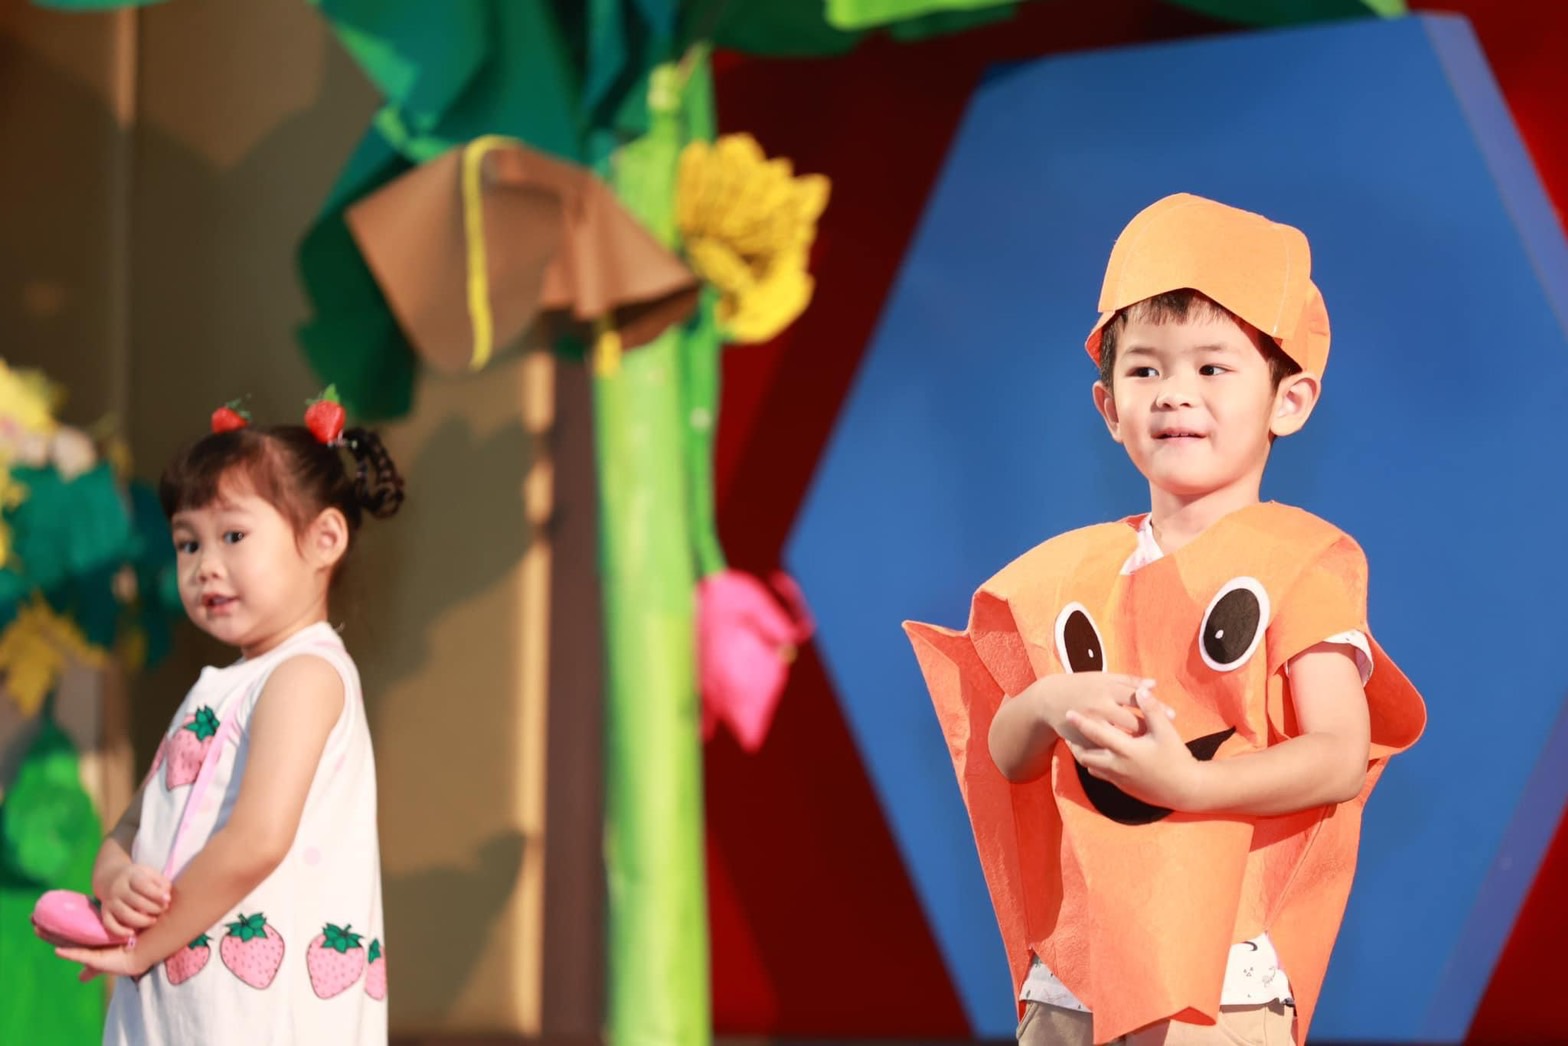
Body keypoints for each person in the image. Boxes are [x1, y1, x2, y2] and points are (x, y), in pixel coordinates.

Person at [904, 194, 1426, 1045]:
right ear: (1109, 409)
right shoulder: (1070, 574)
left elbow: (1338, 754)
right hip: (1074, 975)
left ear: (1289, 401)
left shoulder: (1298, 567)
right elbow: (1006, 755)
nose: (1175, 394)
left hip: (1221, 985)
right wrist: (1045, 704)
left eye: (1212, 368)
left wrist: (1190, 786)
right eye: (1146, 371)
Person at [55, 397, 405, 1045]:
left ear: (324, 539)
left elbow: (259, 838)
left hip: (259, 1018)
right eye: (188, 543)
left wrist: (143, 947)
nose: (205, 565)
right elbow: (132, 825)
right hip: (180, 1006)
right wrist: (115, 879)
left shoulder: (305, 674)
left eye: (234, 536)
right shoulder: (217, 689)